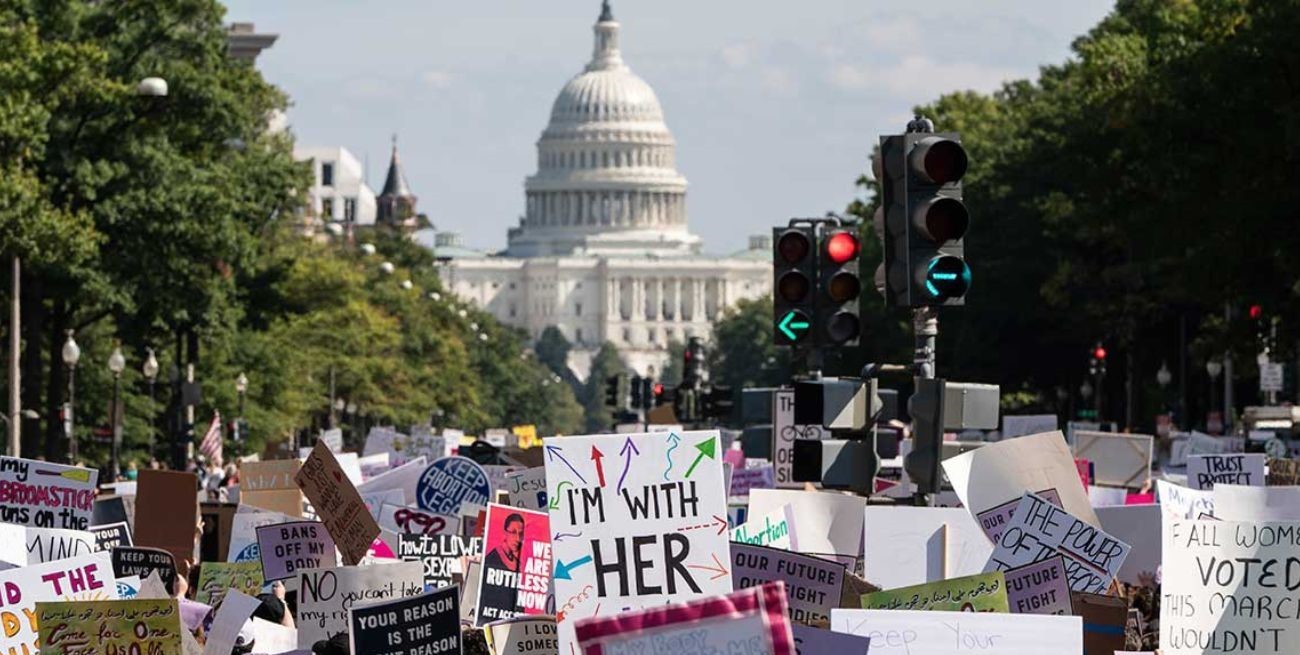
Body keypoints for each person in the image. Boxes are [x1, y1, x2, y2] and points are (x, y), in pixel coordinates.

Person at [479, 512, 525, 615]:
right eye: (513, 532)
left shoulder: (519, 563)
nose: (518, 539)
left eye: (521, 534)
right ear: (505, 533)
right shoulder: (491, 560)